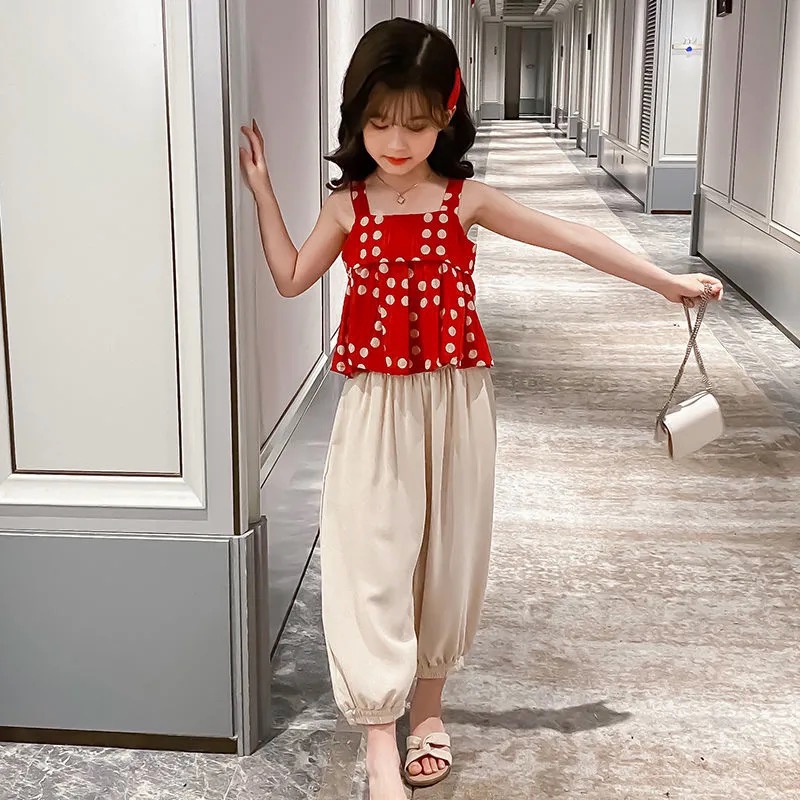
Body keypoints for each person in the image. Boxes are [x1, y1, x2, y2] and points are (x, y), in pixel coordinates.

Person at [239, 17, 723, 800]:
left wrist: (666, 282)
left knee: (448, 554)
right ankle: (378, 739)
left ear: (447, 115)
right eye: (379, 122)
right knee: (370, 559)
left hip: (456, 400)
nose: (397, 141)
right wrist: (263, 192)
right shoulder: (348, 207)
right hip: (374, 404)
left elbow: (569, 237)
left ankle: (428, 711)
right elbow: (293, 277)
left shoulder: (467, 200)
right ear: (358, 119)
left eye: (417, 122)